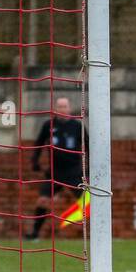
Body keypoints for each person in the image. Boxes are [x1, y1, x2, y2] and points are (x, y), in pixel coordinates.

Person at [27, 96, 86, 239]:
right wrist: (34, 160)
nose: (62, 109)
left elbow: (88, 146)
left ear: (69, 109)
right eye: (59, 106)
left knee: (87, 202)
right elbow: (39, 143)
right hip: (54, 172)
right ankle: (35, 234)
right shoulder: (48, 125)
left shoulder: (77, 126)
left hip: (74, 171)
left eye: (65, 106)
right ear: (55, 109)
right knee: (42, 200)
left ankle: (94, 233)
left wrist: (88, 168)